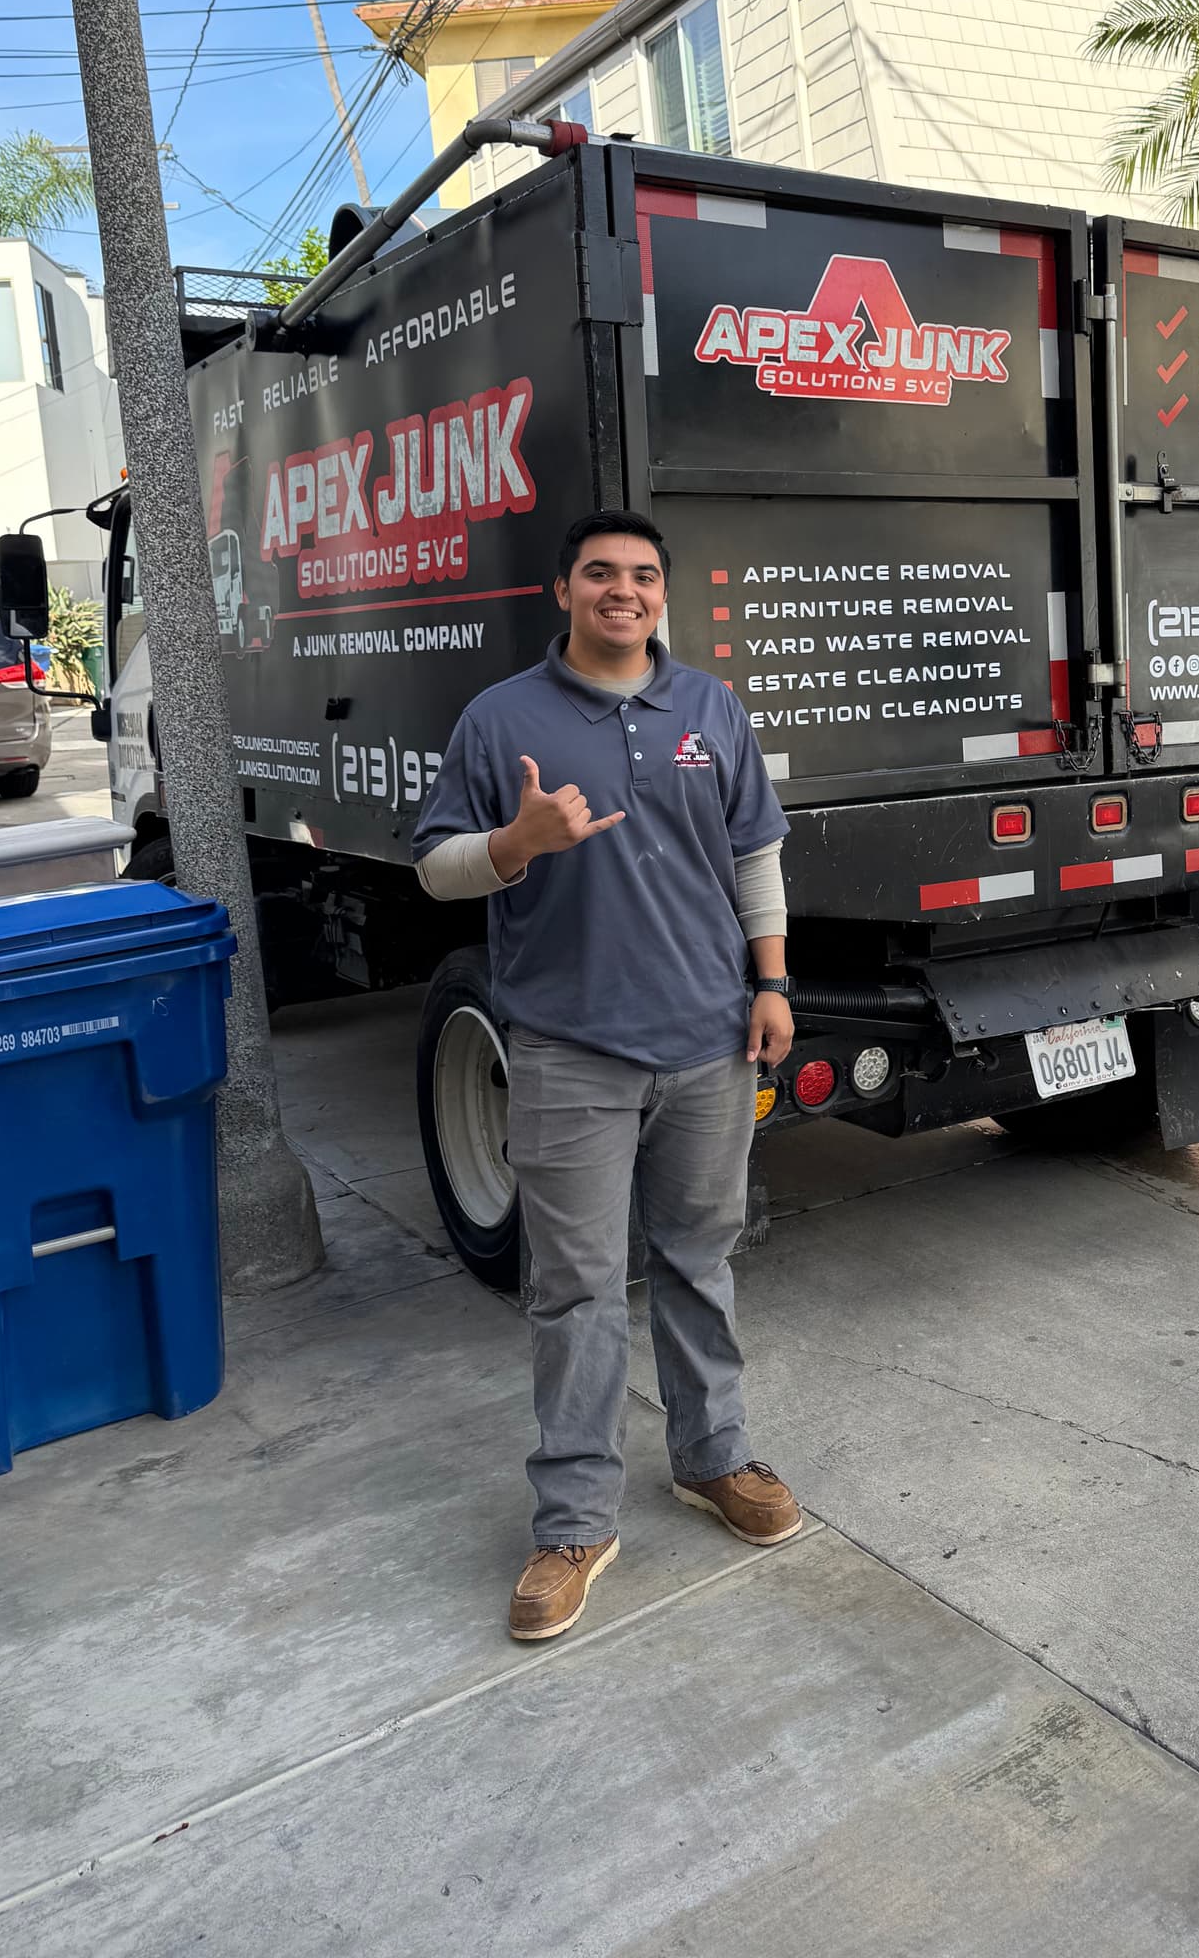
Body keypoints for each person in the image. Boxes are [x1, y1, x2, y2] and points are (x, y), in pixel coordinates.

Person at [413, 508, 802, 1643]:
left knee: (699, 1257)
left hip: (709, 1040)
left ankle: (712, 1457)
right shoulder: (501, 720)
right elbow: (438, 868)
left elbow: (755, 854)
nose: (621, 591)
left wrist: (771, 982)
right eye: (600, 574)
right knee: (575, 1288)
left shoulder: (710, 709)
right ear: (564, 591)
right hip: (568, 1050)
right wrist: (516, 843)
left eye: (641, 576)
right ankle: (576, 1520)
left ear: (660, 596)